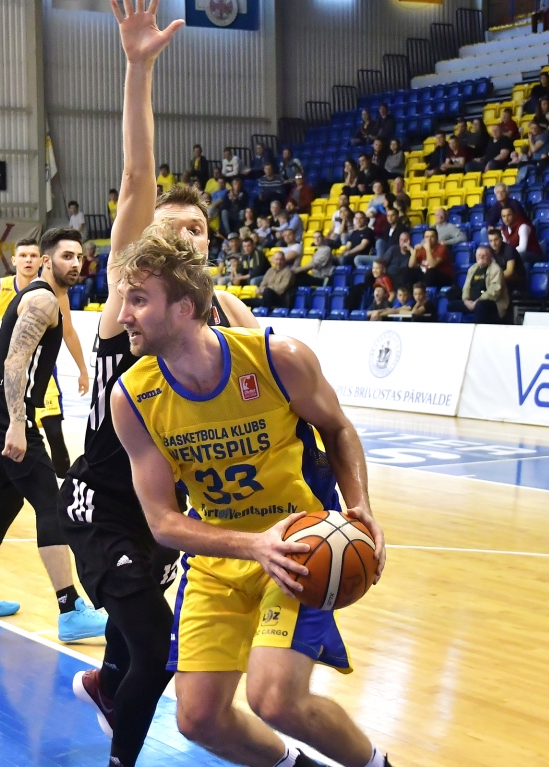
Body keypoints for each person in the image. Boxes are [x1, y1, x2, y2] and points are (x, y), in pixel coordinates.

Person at [64, 0, 258, 766]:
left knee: (134, 643)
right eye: (171, 228)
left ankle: (104, 687)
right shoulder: (127, 299)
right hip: (104, 502)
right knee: (153, 642)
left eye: (199, 229)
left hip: (169, 509)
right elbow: (138, 171)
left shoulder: (231, 319)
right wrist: (139, 69)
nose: (186, 237)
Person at [109, 231, 389, 767]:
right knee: (198, 719)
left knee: (275, 699)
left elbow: (337, 428)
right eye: (125, 299)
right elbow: (163, 521)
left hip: (300, 548)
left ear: (184, 307)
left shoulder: (277, 358)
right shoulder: (133, 397)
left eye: (138, 300)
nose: (123, 315)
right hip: (220, 558)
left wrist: (360, 506)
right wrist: (252, 545)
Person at [0, 227, 108, 642]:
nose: (76, 263)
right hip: (6, 409)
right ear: (46, 261)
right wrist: (17, 422)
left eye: (79, 257)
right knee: (51, 503)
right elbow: (15, 363)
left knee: (7, 501)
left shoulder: (48, 297)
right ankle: (70, 610)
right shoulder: (42, 300)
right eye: (67, 256)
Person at [449, 245, 509, 324]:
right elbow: (466, 287)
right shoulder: (472, 269)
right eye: (479, 255)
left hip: (490, 302)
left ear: (489, 256)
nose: (481, 257)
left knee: (480, 306)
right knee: (451, 305)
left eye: (484, 255)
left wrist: (477, 301)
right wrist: (466, 301)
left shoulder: (496, 269)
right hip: (471, 302)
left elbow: (495, 291)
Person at [487, 227, 526, 297]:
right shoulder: (489, 250)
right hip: (500, 278)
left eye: (496, 240)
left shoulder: (509, 250)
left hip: (516, 280)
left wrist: (493, 278)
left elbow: (509, 272)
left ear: (501, 239)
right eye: (491, 241)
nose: (493, 243)